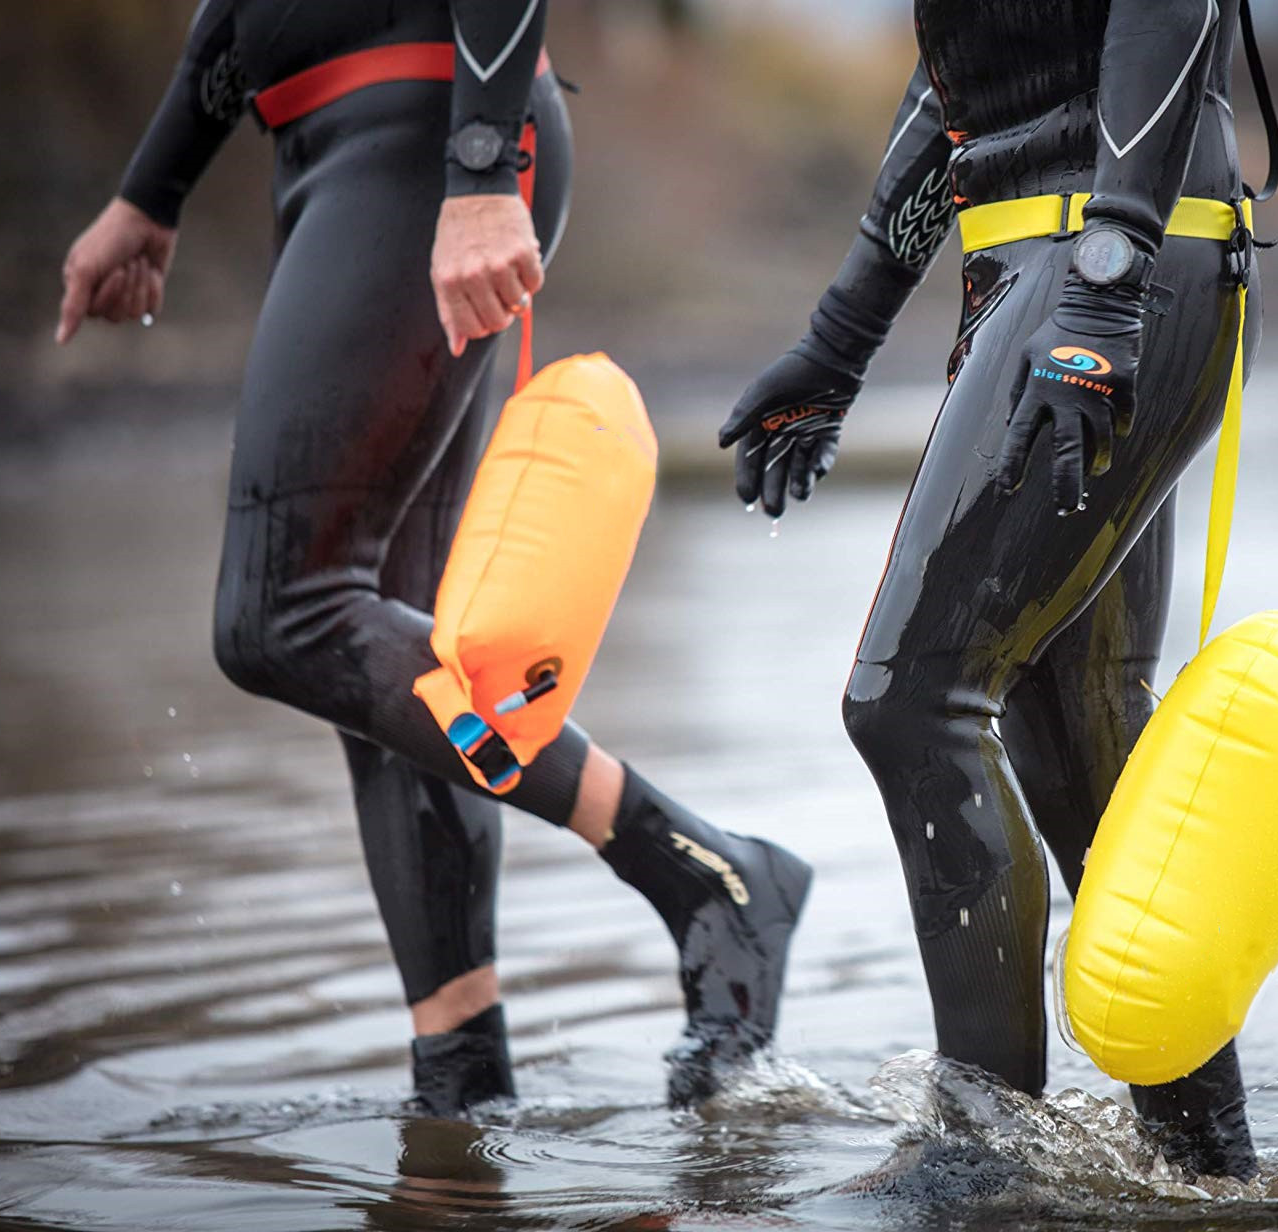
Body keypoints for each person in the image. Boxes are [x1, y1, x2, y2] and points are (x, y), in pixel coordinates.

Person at [56, 0, 812, 1116]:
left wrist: (478, 167)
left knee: (281, 615)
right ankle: (463, 1087)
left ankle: (701, 868)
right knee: (392, 641)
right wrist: (150, 190)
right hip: (340, 144)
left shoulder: (455, 154)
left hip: (425, 133)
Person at [720, 0, 1269, 1179]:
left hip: (1110, 264)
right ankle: (1208, 1162)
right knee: (1073, 736)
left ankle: (980, 1169)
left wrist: (1105, 284)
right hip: (1048, 258)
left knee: (910, 701)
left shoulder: (1106, 265)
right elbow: (963, 78)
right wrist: (839, 337)